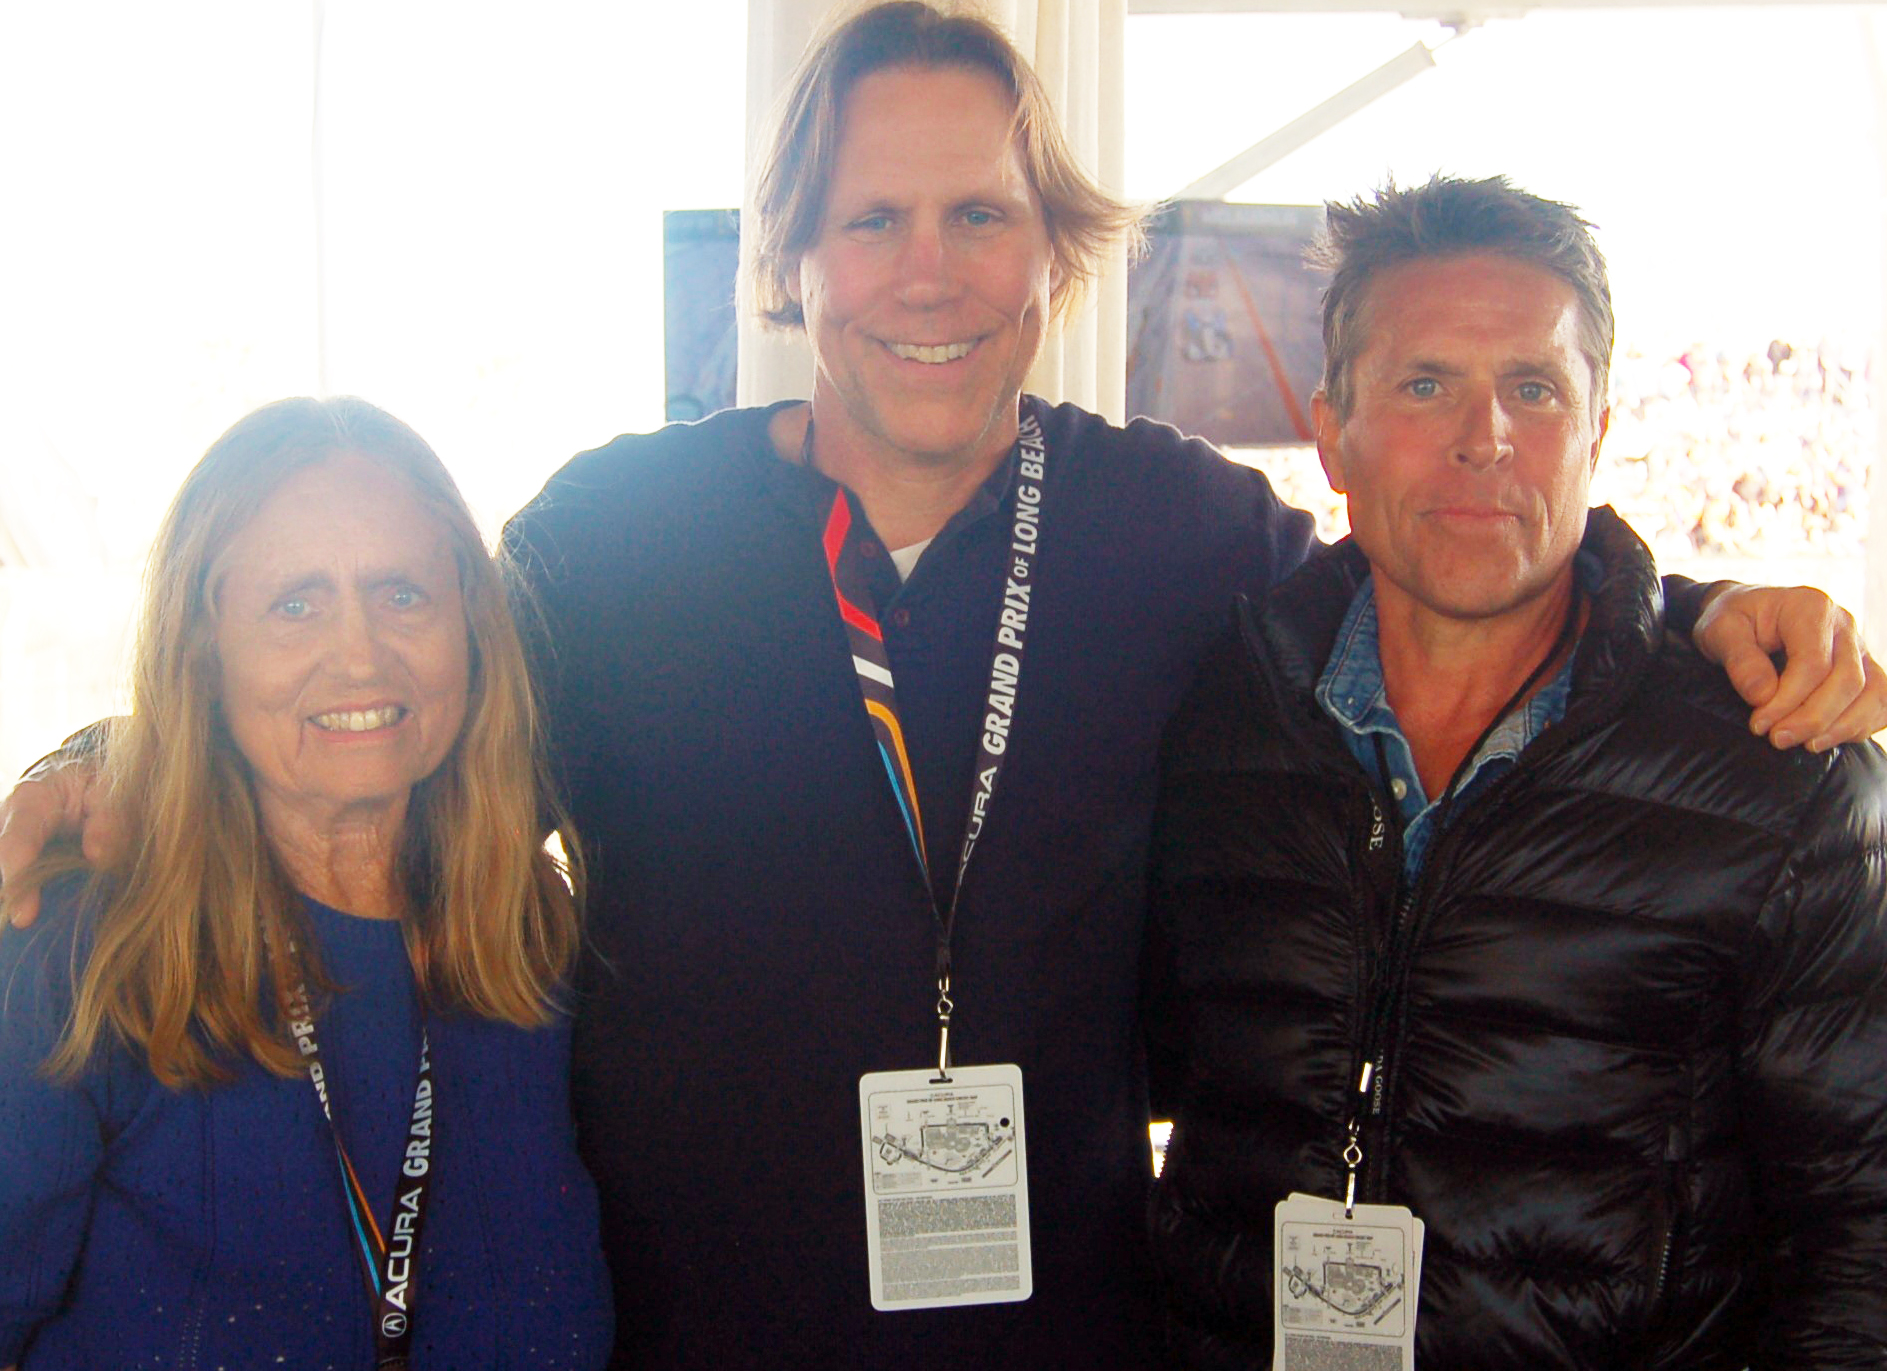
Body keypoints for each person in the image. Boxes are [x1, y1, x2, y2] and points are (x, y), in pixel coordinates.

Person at [2, 7, 1883, 1367]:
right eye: (872, 221)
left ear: (1051, 251)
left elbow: (1454, 559)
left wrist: (1704, 616)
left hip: (1065, 1327)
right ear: (787, 263)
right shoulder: (610, 539)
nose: (928, 274)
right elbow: (372, 687)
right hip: (678, 1325)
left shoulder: (1182, 533)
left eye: (979, 215)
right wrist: (119, 756)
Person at [1146, 176, 1887, 1368]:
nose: (1483, 437)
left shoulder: (1781, 779)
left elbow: (1861, 1236)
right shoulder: (1225, 724)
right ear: (1332, 434)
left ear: (1598, 431)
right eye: (1425, 383)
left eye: (1532, 389)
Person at [0, 398, 611, 1369]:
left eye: (403, 594)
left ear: (471, 629)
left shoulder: (531, 937)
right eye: (296, 605)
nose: (361, 653)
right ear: (204, 649)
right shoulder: (77, 946)